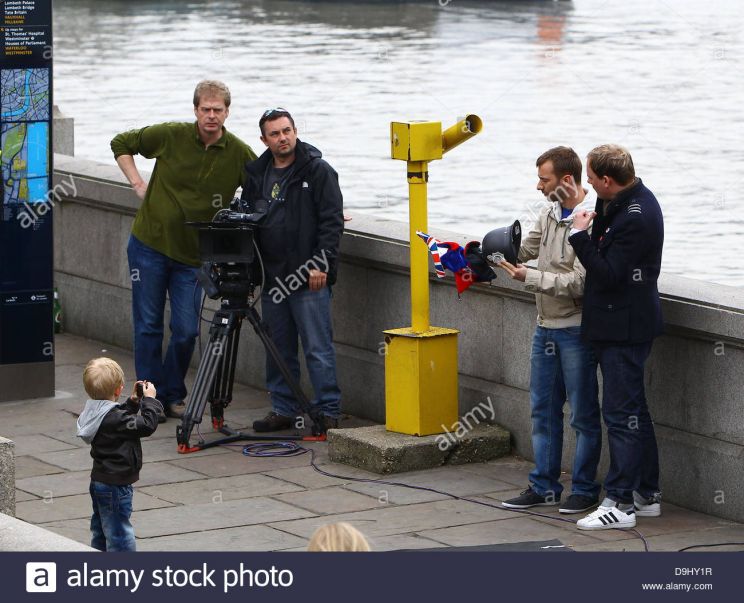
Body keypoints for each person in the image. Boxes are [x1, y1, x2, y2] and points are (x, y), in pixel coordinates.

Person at [111, 80, 256, 420]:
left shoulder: (238, 152)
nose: (211, 115)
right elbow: (121, 143)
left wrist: (324, 205)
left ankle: (173, 392)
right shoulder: (170, 134)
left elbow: (267, 183)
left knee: (187, 329)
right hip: (149, 245)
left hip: (193, 258)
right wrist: (138, 183)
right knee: (148, 324)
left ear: (227, 112)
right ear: (195, 110)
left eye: (217, 110)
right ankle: (148, 397)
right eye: (205, 109)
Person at [499, 147, 602, 515]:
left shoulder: (590, 220)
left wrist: (530, 278)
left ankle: (585, 490)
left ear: (567, 181)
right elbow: (524, 249)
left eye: (544, 179)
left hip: (575, 330)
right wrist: (488, 250)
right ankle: (543, 486)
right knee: (542, 411)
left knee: (583, 416)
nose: (539, 186)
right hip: (544, 329)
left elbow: (580, 283)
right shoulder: (547, 213)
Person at [568, 144, 664, 530]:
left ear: (608, 180)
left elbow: (607, 273)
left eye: (591, 179)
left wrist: (579, 235)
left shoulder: (636, 217)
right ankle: (647, 493)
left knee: (621, 416)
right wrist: (597, 217)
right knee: (635, 413)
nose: (587, 185)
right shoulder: (628, 199)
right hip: (623, 324)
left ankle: (620, 502)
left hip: (624, 329)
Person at [240, 108, 344, 433]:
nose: (282, 138)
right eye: (275, 133)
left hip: (309, 278)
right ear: (264, 139)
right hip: (273, 279)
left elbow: (332, 222)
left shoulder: (318, 171)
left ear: (295, 131)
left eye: (287, 131)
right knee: (278, 349)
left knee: (317, 347)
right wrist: (252, 276)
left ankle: (328, 411)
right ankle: (284, 409)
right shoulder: (257, 174)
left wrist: (320, 263)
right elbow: (250, 224)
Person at [76, 357, 162, 551]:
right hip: (116, 485)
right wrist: (150, 401)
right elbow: (147, 425)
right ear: (118, 389)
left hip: (99, 481)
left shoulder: (93, 412)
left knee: (100, 528)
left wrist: (132, 403)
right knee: (119, 534)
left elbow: (117, 420)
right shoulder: (114, 418)